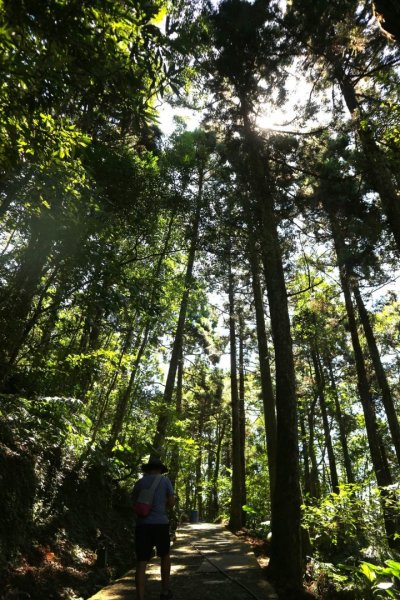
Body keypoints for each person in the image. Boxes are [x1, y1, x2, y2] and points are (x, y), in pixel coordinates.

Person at [132, 457, 175, 600]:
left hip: (142, 525)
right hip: (160, 524)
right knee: (165, 556)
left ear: (148, 469)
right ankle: (165, 591)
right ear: (160, 469)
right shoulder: (165, 481)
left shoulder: (140, 483)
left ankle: (140, 597)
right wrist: (164, 507)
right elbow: (171, 502)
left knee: (141, 561)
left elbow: (135, 504)